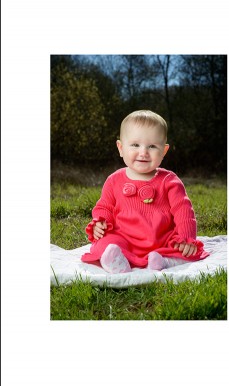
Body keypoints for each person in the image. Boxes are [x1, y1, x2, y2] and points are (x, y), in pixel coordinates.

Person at [81, 110, 209, 273]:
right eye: (135, 145)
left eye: (152, 146)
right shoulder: (114, 180)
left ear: (164, 151)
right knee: (104, 243)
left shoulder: (169, 181)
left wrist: (186, 238)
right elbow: (104, 207)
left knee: (185, 248)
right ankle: (116, 261)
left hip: (161, 239)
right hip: (125, 238)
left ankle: (164, 261)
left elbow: (184, 211)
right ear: (120, 148)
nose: (143, 152)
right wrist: (101, 222)